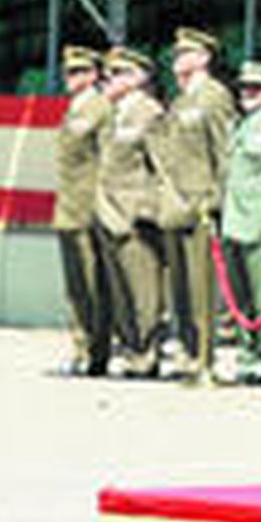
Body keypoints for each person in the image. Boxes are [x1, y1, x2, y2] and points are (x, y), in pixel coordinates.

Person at [154, 27, 238, 381]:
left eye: (185, 54)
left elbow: (223, 151)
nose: (177, 62)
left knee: (201, 287)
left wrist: (217, 201)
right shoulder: (181, 100)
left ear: (203, 58)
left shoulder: (213, 96)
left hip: (201, 203)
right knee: (182, 289)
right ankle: (189, 352)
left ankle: (204, 356)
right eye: (176, 56)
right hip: (175, 203)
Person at [93, 46, 167, 379]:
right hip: (106, 211)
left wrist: (147, 210)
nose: (108, 80)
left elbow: (162, 165)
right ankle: (131, 348)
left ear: (139, 78)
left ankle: (146, 353)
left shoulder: (149, 113)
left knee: (143, 290)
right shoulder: (110, 113)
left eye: (118, 74)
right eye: (107, 74)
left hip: (133, 213)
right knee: (121, 290)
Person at [218, 61, 261, 385]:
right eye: (244, 88)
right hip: (234, 219)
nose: (248, 94)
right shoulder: (240, 124)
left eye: (256, 88)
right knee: (240, 295)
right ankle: (247, 355)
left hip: (259, 220)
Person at [53, 45, 113, 376]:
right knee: (75, 285)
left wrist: (102, 206)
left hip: (90, 207)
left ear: (92, 74)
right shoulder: (74, 109)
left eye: (77, 71)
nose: (69, 77)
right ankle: (80, 345)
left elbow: (106, 160)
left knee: (93, 285)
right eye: (67, 72)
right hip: (69, 206)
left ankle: (96, 351)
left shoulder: (100, 107)